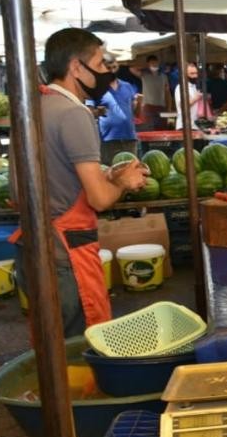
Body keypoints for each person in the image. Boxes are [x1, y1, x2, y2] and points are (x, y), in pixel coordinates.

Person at [12, 28, 148, 337]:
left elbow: (51, 177)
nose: (104, 72)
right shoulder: (74, 114)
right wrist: (124, 181)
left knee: (52, 350)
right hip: (66, 255)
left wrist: (108, 174)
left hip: (35, 247)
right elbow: (99, 200)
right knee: (80, 351)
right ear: (76, 67)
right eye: (100, 65)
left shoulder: (34, 106)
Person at [97, 52, 139, 164]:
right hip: (108, 139)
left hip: (129, 137)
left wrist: (138, 103)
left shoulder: (127, 86)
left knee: (131, 172)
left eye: (114, 67)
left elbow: (133, 111)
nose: (112, 71)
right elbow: (89, 110)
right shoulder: (97, 88)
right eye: (108, 68)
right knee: (109, 172)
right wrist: (98, 111)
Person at [129, 54, 172, 131]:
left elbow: (167, 92)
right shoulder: (144, 74)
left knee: (161, 129)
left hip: (161, 106)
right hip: (147, 107)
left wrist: (169, 108)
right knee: (148, 128)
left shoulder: (163, 76)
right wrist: (146, 67)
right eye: (152, 63)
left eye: (155, 63)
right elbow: (132, 68)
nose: (154, 65)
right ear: (148, 64)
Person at [174, 62, 205, 130]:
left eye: (196, 73)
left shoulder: (194, 87)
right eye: (192, 73)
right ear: (185, 74)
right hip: (184, 127)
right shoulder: (180, 87)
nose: (195, 76)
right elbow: (183, 105)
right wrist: (196, 98)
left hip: (195, 126)